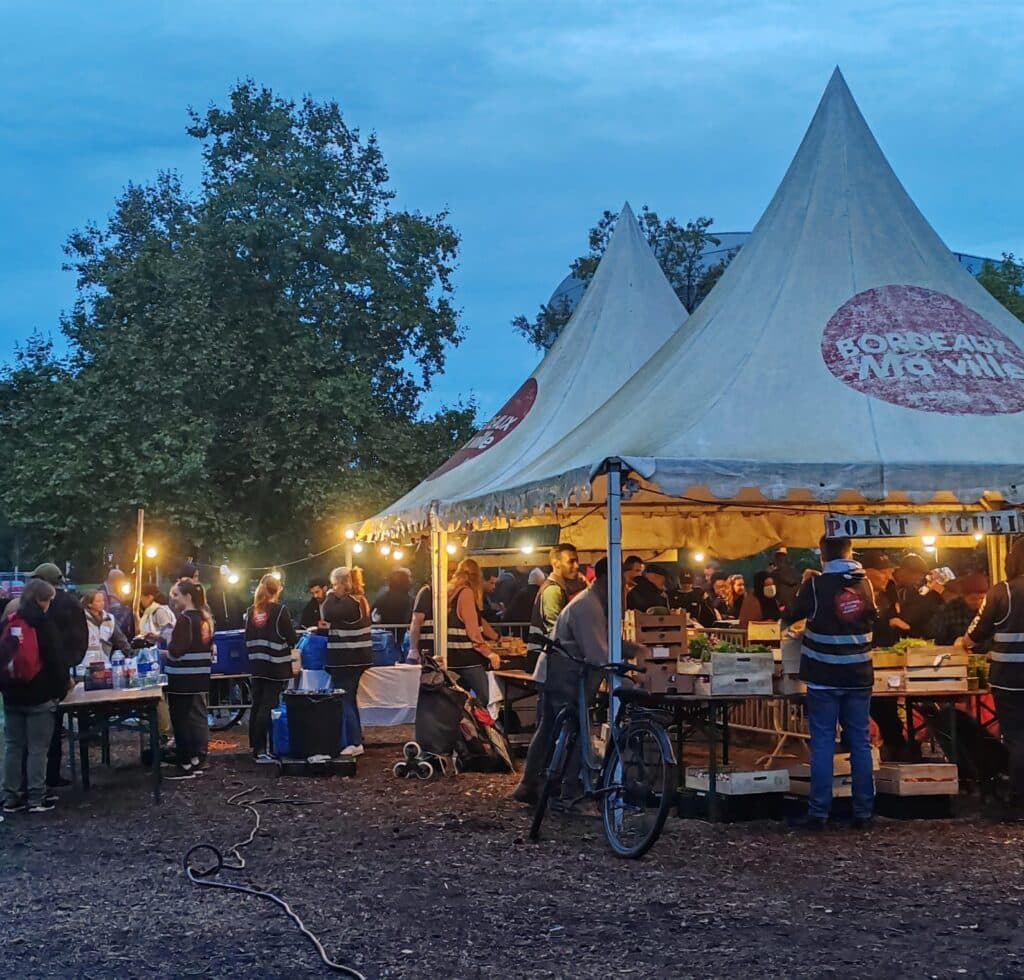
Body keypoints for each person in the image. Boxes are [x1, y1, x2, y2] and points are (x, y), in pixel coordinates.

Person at [513, 559, 643, 806]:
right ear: (608, 580)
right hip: (562, 673)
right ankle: (567, 788)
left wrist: (635, 649)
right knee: (574, 727)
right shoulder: (588, 606)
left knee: (550, 728)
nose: (625, 589)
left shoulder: (592, 603)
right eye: (623, 583)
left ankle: (531, 784)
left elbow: (605, 644)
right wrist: (630, 674)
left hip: (557, 670)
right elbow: (598, 654)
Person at [782, 536, 877, 830]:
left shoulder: (815, 585)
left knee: (823, 742)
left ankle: (819, 813)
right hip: (859, 674)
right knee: (859, 742)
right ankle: (863, 812)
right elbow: (873, 617)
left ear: (822, 555)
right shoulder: (867, 584)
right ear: (850, 551)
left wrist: (804, 586)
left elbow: (791, 617)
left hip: (823, 676)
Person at [963, 540, 1024, 819]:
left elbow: (975, 634)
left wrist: (963, 642)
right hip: (1008, 676)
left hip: (1009, 678)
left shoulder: (1002, 592)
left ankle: (1018, 799)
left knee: (1017, 738)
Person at [1, 579, 65, 814]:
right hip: (40, 694)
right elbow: (56, 660)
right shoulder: (43, 623)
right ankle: (36, 797)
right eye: (48, 600)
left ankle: (10, 797)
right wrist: (60, 691)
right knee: (38, 748)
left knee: (13, 746)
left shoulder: (9, 620)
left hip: (11, 694)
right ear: (41, 600)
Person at [27, 563, 87, 791]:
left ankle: (31, 782)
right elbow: (80, 635)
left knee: (31, 735)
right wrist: (70, 664)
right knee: (52, 726)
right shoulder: (71, 602)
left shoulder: (33, 605)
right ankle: (50, 775)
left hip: (35, 671)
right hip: (59, 670)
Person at [859, 552, 911, 760]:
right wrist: (887, 624)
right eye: (883, 572)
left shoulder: (887, 597)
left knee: (889, 713)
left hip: (885, 667)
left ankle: (896, 754)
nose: (888, 577)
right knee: (877, 713)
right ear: (867, 573)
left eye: (889, 572)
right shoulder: (856, 597)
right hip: (861, 668)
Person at [245, 574, 298, 762]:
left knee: (257, 704)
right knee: (268, 705)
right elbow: (292, 637)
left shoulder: (251, 611)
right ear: (277, 591)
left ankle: (255, 746)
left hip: (256, 665)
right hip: (276, 665)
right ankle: (262, 750)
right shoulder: (280, 610)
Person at [164, 581, 214, 778]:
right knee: (195, 718)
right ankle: (195, 757)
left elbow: (177, 650)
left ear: (188, 597)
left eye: (176, 595)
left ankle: (184, 762)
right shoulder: (205, 618)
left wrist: (167, 643)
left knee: (180, 718)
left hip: (181, 677)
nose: (173, 599)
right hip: (199, 676)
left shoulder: (184, 620)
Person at [322, 567, 373, 757]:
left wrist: (328, 595)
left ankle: (355, 742)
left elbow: (327, 612)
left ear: (344, 584)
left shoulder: (348, 603)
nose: (333, 589)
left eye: (335, 585)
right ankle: (355, 737)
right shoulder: (361, 601)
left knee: (346, 700)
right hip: (358, 658)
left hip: (347, 659)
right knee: (349, 698)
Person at [446, 558, 502, 705]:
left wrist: (496, 637)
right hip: (468, 659)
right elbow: (473, 630)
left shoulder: (450, 592)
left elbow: (478, 621)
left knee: (458, 700)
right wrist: (489, 653)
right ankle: (487, 725)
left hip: (451, 657)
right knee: (487, 697)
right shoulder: (466, 593)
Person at [527, 545, 581, 672]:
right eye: (571, 561)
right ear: (556, 564)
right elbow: (556, 630)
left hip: (547, 659)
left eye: (577, 561)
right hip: (548, 661)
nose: (577, 566)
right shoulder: (553, 590)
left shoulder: (556, 588)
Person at [928, 573, 989, 646]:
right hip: (953, 653)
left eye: (982, 598)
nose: (978, 602)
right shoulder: (949, 609)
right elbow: (936, 636)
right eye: (973, 599)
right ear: (963, 596)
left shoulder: (990, 607)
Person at [892, 553, 943, 637]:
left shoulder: (911, 589)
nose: (918, 581)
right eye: (917, 577)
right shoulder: (887, 586)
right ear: (904, 572)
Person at [81, 590, 133, 662]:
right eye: (98, 601)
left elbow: (120, 639)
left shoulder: (109, 619)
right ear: (89, 604)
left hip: (104, 662)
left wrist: (131, 654)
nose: (102, 603)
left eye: (103, 600)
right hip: (85, 663)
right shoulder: (81, 619)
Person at [372, 568, 414, 638]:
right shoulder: (410, 600)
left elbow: (374, 617)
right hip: (406, 638)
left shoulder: (382, 599)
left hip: (385, 637)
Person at [101, 568, 136, 637]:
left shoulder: (118, 589)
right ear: (115, 580)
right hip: (109, 629)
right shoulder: (102, 592)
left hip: (122, 629)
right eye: (121, 580)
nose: (123, 582)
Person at [407, 583, 433, 663]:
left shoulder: (427, 591)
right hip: (428, 648)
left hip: (431, 647)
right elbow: (416, 621)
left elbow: (416, 621)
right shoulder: (427, 591)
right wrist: (413, 650)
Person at [769, 547, 801, 612]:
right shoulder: (772, 575)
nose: (779, 559)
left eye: (781, 557)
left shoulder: (794, 573)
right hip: (782, 609)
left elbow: (799, 587)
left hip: (793, 608)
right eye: (777, 557)